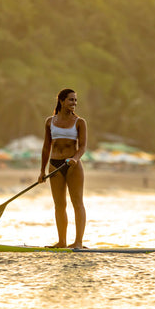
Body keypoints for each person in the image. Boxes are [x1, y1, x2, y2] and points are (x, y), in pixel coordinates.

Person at [38, 88, 87, 249]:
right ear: (61, 101)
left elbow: (83, 147)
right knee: (59, 205)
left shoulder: (80, 122)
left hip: (72, 166)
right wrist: (42, 171)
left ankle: (78, 242)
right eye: (71, 100)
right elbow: (46, 148)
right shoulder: (49, 121)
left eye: (75, 100)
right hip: (54, 165)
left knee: (77, 203)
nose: (74, 103)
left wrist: (75, 158)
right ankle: (61, 242)